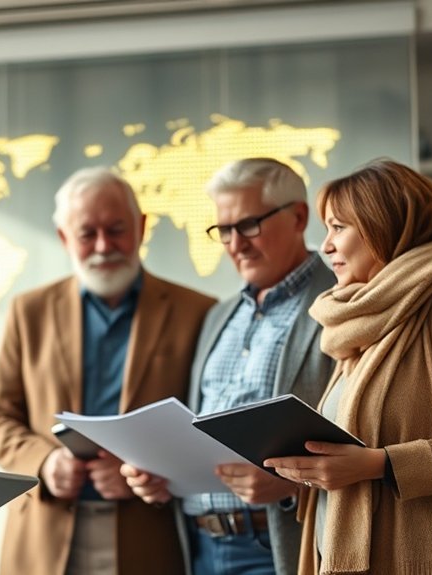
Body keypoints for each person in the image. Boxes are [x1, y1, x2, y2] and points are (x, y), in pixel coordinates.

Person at [0, 166, 216, 575]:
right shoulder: (28, 311)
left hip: (149, 536)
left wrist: (151, 473)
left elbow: (208, 429)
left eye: (117, 229)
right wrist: (45, 463)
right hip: (42, 537)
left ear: (141, 228)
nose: (104, 245)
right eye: (88, 233)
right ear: (64, 239)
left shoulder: (199, 312)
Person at [264, 159, 432, 574]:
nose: (326, 246)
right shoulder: (366, 321)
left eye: (338, 227)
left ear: (380, 224)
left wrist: (381, 464)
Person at [121, 158, 335, 575]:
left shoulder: (340, 303)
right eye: (224, 230)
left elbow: (373, 430)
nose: (235, 243)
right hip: (200, 545)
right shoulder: (218, 317)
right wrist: (159, 476)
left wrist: (293, 485)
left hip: (280, 545)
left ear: (298, 217)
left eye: (249, 224)